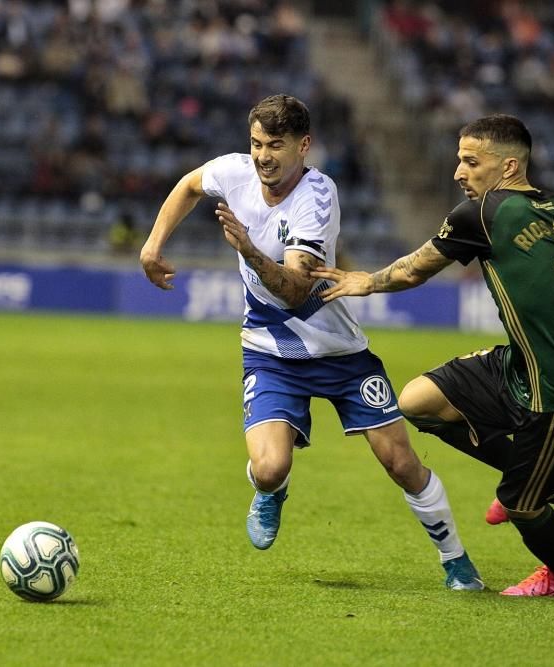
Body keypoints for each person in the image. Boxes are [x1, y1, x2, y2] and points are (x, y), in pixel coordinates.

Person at [139, 94, 484, 591]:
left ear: (304, 146)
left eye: (275, 145)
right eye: (256, 143)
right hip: (268, 349)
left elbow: (295, 288)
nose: (262, 156)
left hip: (339, 351)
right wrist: (153, 245)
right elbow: (189, 185)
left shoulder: (318, 197)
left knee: (401, 462)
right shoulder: (234, 172)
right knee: (269, 466)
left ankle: (455, 561)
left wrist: (251, 251)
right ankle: (271, 490)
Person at [312, 114, 554, 596]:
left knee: (524, 507)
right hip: (517, 367)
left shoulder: (484, 213)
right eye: (458, 160)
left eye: (470, 161)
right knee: (417, 401)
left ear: (507, 167)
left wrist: (367, 281)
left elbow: (412, 271)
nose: (459, 172)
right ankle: (520, 471)